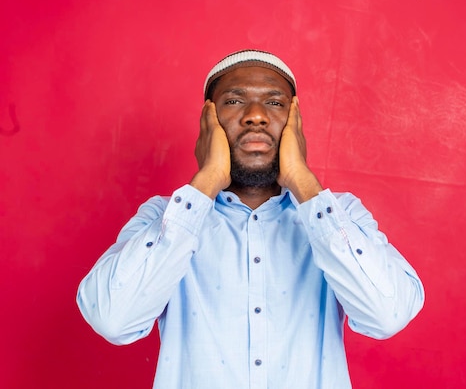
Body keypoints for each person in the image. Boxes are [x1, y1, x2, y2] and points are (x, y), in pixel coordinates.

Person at [77, 49, 425, 389]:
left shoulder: (339, 215)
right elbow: (112, 319)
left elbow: (387, 315)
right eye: (234, 101)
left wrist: (303, 182)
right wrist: (206, 181)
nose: (256, 115)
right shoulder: (164, 217)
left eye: (274, 103)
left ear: (296, 123)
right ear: (207, 122)